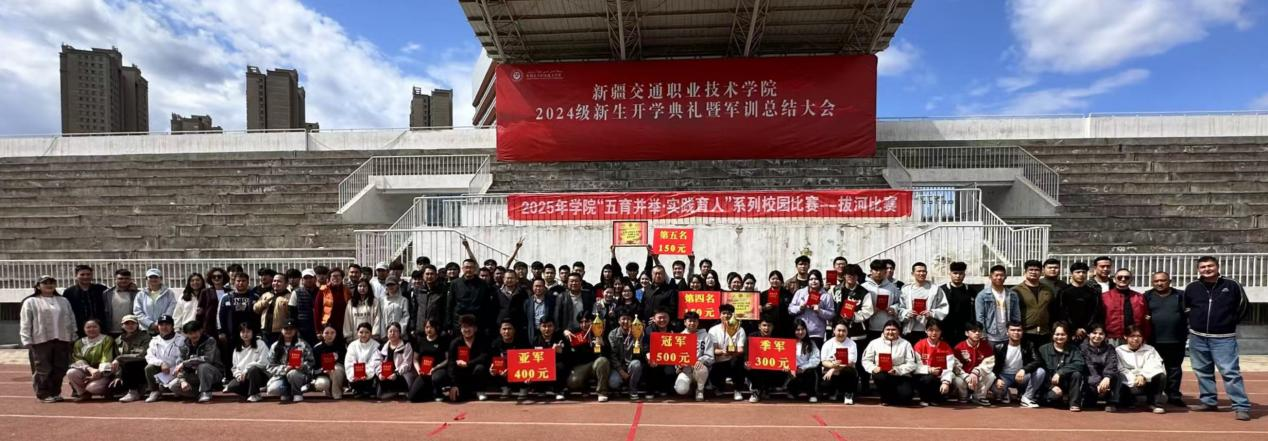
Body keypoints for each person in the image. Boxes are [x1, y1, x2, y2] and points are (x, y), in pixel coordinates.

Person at [1183, 256, 1251, 421]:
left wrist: (1229, 322)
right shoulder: (1192, 287)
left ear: (1217, 267)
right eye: (1203, 267)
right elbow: (1186, 308)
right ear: (1198, 270)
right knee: (1202, 371)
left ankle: (1241, 406)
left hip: (1224, 338)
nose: (1207, 269)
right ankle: (1208, 401)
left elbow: (1243, 306)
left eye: (1210, 266)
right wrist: (1193, 324)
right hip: (1198, 337)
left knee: (1230, 372)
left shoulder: (1232, 285)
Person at [20, 275, 77, 403]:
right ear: (38, 286)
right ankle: (43, 393)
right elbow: (26, 322)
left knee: (60, 368)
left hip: (62, 338)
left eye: (51, 282)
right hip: (41, 339)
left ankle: (55, 392)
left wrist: (73, 334)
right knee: (43, 368)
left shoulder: (63, 301)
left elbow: (71, 318)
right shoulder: (31, 301)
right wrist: (26, 339)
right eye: (45, 283)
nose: (49, 285)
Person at [1144, 271, 1187, 406]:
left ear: (1169, 281)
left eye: (1163, 280)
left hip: (1176, 339)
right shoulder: (1147, 296)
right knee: (1153, 368)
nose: (1159, 283)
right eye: (1156, 281)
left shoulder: (1180, 295)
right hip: (1153, 340)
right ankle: (1153, 395)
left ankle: (1174, 395)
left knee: (1174, 369)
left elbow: (1188, 314)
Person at [1023, 322, 1085, 411]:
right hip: (1048, 385)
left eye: (1063, 334)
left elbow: (1080, 364)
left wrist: (1060, 372)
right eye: (1057, 334)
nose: (1060, 337)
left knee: (1077, 374)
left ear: (1067, 336)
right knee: (1053, 396)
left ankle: (1074, 403)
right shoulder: (1043, 349)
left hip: (1066, 383)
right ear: (1052, 335)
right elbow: (1041, 370)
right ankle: (1041, 399)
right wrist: (1051, 386)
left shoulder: (1074, 349)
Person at [862, 320, 919, 406]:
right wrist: (873, 368)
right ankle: (885, 396)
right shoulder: (874, 343)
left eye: (893, 330)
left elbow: (912, 363)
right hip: (882, 374)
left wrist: (897, 370)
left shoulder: (906, 344)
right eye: (888, 329)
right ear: (883, 331)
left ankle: (892, 397)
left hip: (901, 375)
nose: (890, 332)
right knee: (880, 376)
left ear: (898, 331)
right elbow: (866, 360)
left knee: (906, 396)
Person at [438, 314, 491, 402]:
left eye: (470, 326)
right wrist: (453, 384)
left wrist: (468, 363)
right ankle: (467, 391)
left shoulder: (482, 340)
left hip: (476, 372)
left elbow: (484, 357)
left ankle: (480, 391)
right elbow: (451, 364)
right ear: (460, 329)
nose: (467, 329)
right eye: (464, 327)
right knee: (457, 398)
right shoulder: (455, 343)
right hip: (461, 376)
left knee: (480, 368)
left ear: (475, 328)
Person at [1116, 325, 1167, 414]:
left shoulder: (1150, 349)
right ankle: (1130, 399)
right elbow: (1120, 368)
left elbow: (1154, 365)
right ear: (1125, 337)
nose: (1136, 339)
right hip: (1129, 382)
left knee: (1160, 375)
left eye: (1139, 336)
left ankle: (1155, 404)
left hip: (1145, 380)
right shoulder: (1119, 350)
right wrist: (1134, 379)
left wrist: (1143, 375)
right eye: (1132, 336)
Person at [172, 320, 223, 403]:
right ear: (186, 334)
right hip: (193, 375)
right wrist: (182, 381)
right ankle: (198, 393)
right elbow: (179, 364)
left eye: (195, 332)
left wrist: (185, 363)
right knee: (173, 386)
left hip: (213, 373)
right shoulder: (184, 345)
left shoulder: (210, 341)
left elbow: (208, 359)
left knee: (203, 366)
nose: (193, 335)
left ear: (201, 331)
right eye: (190, 333)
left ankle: (206, 392)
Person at [564, 313, 612, 401]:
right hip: (583, 366)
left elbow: (609, 353)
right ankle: (585, 386)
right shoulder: (575, 332)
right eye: (581, 322)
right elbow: (563, 333)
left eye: (587, 321)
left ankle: (602, 392)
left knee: (603, 361)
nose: (584, 324)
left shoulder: (600, 331)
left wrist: (602, 344)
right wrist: (565, 332)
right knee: (572, 382)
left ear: (592, 322)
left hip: (596, 364)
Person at [992, 321, 1041, 406]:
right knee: (998, 391)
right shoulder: (998, 347)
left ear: (1022, 332)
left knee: (1040, 372)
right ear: (1007, 332)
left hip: (1022, 376)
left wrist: (1024, 370)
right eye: (1013, 330)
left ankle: (1026, 397)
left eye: (1019, 330)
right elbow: (993, 367)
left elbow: (1037, 361)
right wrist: (997, 379)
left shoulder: (1029, 345)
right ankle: (1006, 393)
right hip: (1004, 377)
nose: (1016, 332)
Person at [66, 319, 115, 401]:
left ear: (99, 328)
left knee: (92, 388)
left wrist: (99, 373)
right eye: (88, 327)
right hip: (88, 370)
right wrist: (90, 369)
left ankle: (108, 391)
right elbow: (78, 359)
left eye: (94, 327)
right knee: (71, 372)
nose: (91, 329)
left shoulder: (107, 339)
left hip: (103, 372)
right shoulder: (79, 343)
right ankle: (83, 394)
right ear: (84, 329)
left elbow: (106, 358)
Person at [898, 262, 948, 344]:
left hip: (929, 331)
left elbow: (943, 307)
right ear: (912, 273)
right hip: (910, 330)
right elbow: (900, 307)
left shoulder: (935, 289)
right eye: (919, 271)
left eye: (924, 271)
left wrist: (932, 313)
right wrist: (907, 313)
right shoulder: (906, 290)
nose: (921, 273)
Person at [912, 319, 958, 406]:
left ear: (941, 332)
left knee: (952, 380)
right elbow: (915, 366)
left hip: (940, 377)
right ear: (926, 331)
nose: (934, 333)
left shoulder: (946, 347)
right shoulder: (919, 345)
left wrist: (945, 382)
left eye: (937, 330)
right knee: (928, 379)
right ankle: (924, 398)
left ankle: (938, 398)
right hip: (924, 376)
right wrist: (929, 370)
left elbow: (949, 367)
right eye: (931, 330)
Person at [708, 304, 748, 401]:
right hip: (718, 361)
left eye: (729, 313)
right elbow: (713, 350)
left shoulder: (740, 329)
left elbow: (740, 349)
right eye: (724, 313)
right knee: (711, 367)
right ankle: (718, 386)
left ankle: (737, 389)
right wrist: (722, 351)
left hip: (732, 359)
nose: (726, 316)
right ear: (720, 315)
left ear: (733, 315)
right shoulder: (713, 330)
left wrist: (731, 352)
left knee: (738, 362)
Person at [672, 311, 715, 401]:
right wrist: (679, 365)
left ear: (698, 322)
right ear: (685, 322)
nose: (692, 323)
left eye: (694, 321)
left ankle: (700, 390)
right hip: (686, 370)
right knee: (681, 389)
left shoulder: (706, 336)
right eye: (690, 321)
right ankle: (691, 386)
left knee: (701, 368)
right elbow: (675, 357)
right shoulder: (680, 337)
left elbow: (710, 356)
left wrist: (701, 360)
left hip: (699, 368)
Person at [1055, 262, 1102, 343]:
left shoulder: (1093, 292)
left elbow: (1095, 312)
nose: (1081, 274)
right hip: (1068, 331)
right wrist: (1074, 329)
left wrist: (1085, 328)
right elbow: (1061, 312)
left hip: (1088, 331)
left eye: (1084, 272)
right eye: (1078, 272)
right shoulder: (1064, 292)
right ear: (1072, 274)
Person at [447, 259, 495, 337]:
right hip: (459, 323)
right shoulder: (455, 283)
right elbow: (450, 305)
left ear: (475, 269)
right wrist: (448, 324)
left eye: (471, 267)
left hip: (478, 322)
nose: (469, 270)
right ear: (462, 269)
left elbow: (487, 305)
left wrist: (487, 324)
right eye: (466, 267)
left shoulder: (483, 284)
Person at [143, 315, 185, 403]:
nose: (164, 327)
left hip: (177, 370)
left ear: (172, 326)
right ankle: (155, 391)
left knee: (176, 385)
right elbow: (149, 356)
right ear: (158, 327)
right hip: (162, 371)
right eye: (161, 325)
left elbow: (182, 357)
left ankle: (176, 388)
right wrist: (161, 363)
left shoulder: (181, 339)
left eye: (167, 324)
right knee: (149, 368)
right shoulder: (154, 340)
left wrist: (176, 368)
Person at [1015, 260, 1056, 349]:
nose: (1033, 272)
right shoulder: (1016, 291)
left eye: (1037, 270)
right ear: (1025, 272)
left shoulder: (1047, 290)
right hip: (1025, 333)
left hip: (1045, 332)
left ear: (1041, 272)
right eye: (1031, 270)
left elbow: (1053, 310)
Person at [952, 321, 995, 405]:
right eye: (974, 331)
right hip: (964, 377)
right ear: (966, 333)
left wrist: (976, 372)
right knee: (956, 379)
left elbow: (989, 364)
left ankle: (979, 397)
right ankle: (963, 396)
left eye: (979, 331)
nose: (977, 333)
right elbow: (955, 367)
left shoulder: (986, 346)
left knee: (991, 375)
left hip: (978, 376)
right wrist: (966, 377)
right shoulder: (959, 347)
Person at [789, 270, 836, 347]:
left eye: (816, 279)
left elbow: (831, 314)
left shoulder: (826, 296)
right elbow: (790, 309)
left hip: (817, 333)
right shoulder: (799, 292)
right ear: (808, 281)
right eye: (811, 279)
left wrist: (820, 311)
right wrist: (800, 308)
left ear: (820, 281)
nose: (813, 281)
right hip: (800, 332)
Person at [1102, 269, 1148, 346]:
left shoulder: (1139, 297)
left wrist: (1145, 336)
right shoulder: (1104, 297)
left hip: (1134, 337)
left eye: (1126, 277)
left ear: (1131, 280)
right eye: (1120, 277)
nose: (1123, 279)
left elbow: (1145, 319)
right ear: (1114, 279)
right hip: (1112, 338)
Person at [111, 314, 152, 402]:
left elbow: (141, 356)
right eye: (127, 323)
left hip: (142, 367)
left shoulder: (145, 337)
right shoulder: (118, 340)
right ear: (122, 326)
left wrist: (119, 358)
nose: (130, 326)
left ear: (137, 325)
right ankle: (135, 389)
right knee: (113, 387)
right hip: (125, 371)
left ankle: (133, 392)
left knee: (129, 364)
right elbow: (117, 361)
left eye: (133, 323)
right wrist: (118, 376)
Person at [976, 265, 1021, 344]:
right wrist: (983, 334)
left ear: (1006, 277)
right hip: (991, 335)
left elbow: (1016, 315)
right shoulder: (982, 295)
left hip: (1008, 335)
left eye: (1002, 275)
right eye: (996, 275)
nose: (999, 278)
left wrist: (1015, 332)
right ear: (990, 277)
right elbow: (980, 317)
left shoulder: (1012, 295)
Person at [225, 323, 270, 402]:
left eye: (248, 331)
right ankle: (250, 392)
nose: (245, 334)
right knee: (231, 386)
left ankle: (255, 394)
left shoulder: (260, 344)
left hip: (260, 375)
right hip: (244, 377)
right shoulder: (237, 349)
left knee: (253, 370)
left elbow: (264, 362)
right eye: (243, 332)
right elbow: (235, 367)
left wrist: (246, 370)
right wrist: (238, 375)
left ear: (253, 332)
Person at [1080, 324, 1120, 412]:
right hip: (1091, 378)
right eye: (1094, 333)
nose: (1097, 336)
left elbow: (1112, 364)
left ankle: (1111, 402)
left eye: (1101, 334)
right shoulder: (1082, 348)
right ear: (1089, 334)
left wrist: (1107, 377)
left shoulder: (1110, 348)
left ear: (1105, 336)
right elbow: (1089, 367)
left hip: (1106, 380)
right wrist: (1098, 383)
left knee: (1117, 375)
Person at [606, 311, 644, 401]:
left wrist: (637, 339)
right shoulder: (613, 334)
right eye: (623, 319)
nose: (626, 322)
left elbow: (641, 354)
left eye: (628, 319)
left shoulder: (638, 332)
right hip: (618, 367)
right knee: (613, 383)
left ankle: (632, 390)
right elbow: (612, 355)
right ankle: (619, 388)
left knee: (636, 364)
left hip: (631, 365)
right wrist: (620, 370)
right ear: (619, 321)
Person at [529, 317, 569, 400]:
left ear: (554, 327)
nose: (547, 329)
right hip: (542, 365)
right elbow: (531, 358)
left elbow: (569, 355)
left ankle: (559, 391)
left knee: (560, 366)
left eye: (550, 326)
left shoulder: (560, 338)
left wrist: (561, 351)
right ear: (539, 327)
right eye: (544, 326)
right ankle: (540, 389)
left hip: (556, 365)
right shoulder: (535, 339)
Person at [63, 265, 108, 338]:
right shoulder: (69, 292)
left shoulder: (101, 289)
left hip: (100, 327)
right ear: (76, 276)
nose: (85, 277)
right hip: (79, 329)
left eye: (88, 274)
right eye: (82, 274)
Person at [408, 319, 448, 402]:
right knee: (412, 397)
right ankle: (430, 393)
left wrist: (435, 368)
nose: (429, 329)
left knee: (436, 378)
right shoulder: (420, 341)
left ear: (436, 328)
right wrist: (419, 370)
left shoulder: (442, 340)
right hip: (424, 371)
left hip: (438, 369)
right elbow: (415, 359)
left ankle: (438, 392)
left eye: (431, 327)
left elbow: (447, 359)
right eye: (427, 327)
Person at [375, 322, 417, 400]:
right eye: (390, 331)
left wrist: (396, 373)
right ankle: (396, 393)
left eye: (395, 331)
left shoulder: (406, 345)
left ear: (400, 333)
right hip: (385, 375)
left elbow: (407, 364)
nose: (392, 333)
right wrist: (380, 373)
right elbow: (377, 362)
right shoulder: (381, 347)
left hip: (401, 375)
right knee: (379, 396)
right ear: (387, 334)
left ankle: (399, 391)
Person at [821, 321, 859, 404]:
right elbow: (824, 361)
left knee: (849, 370)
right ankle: (833, 392)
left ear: (847, 332)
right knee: (825, 381)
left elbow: (851, 362)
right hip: (830, 373)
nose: (841, 333)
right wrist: (832, 365)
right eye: (839, 330)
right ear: (834, 330)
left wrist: (833, 369)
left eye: (844, 331)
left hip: (845, 372)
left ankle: (848, 394)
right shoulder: (827, 344)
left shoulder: (852, 344)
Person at [940, 262, 976, 347]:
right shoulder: (942, 290)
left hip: (965, 330)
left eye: (961, 273)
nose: (958, 276)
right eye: (955, 273)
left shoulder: (971, 290)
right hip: (946, 330)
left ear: (964, 275)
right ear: (950, 274)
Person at [133, 268, 176, 335]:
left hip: (164, 329)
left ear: (161, 278)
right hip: (145, 330)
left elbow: (171, 309)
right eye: (150, 277)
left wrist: (160, 323)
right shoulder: (140, 294)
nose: (153, 279)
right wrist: (150, 324)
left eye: (156, 277)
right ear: (146, 279)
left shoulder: (169, 293)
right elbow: (137, 311)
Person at [410, 265, 449, 338]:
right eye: (427, 274)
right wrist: (412, 327)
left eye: (432, 274)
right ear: (423, 275)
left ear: (436, 275)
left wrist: (445, 328)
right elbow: (414, 311)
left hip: (436, 331)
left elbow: (446, 311)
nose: (429, 276)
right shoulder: (417, 291)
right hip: (420, 330)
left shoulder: (442, 291)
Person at [344, 322, 382, 399]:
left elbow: (375, 362)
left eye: (367, 332)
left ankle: (370, 390)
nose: (364, 335)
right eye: (361, 332)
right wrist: (355, 374)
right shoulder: (352, 345)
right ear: (357, 333)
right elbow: (349, 362)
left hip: (369, 376)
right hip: (356, 376)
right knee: (355, 380)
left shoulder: (376, 345)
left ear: (371, 333)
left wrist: (366, 373)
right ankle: (357, 390)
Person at [311, 325, 347, 400]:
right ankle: (328, 390)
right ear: (322, 334)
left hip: (338, 373)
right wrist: (322, 370)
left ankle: (337, 395)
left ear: (336, 334)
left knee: (337, 369)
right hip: (323, 374)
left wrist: (336, 360)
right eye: (326, 333)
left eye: (332, 333)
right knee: (321, 384)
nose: (329, 335)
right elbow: (313, 369)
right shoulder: (317, 348)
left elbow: (346, 363)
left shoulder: (342, 347)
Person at [255, 274, 291, 346]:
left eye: (279, 281)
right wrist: (263, 303)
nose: (276, 283)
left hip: (280, 332)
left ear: (286, 284)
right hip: (265, 331)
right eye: (274, 281)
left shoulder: (290, 296)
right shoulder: (266, 294)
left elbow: (291, 314)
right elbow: (255, 309)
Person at [102, 269, 139, 337]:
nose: (123, 281)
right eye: (120, 278)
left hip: (130, 331)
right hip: (111, 331)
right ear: (115, 279)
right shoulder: (107, 293)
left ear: (130, 280)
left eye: (126, 278)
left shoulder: (137, 294)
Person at [315, 268, 349, 341]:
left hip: (343, 325)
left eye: (338, 276)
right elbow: (317, 311)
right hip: (328, 325)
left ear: (342, 277)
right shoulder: (323, 290)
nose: (336, 278)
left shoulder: (346, 290)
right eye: (333, 276)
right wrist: (318, 330)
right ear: (329, 278)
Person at [288, 269, 319, 344]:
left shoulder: (321, 292)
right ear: (302, 280)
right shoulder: (296, 293)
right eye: (306, 278)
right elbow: (291, 313)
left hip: (318, 330)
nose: (308, 280)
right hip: (302, 331)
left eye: (310, 277)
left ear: (315, 278)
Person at [761, 271, 794, 337]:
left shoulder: (788, 294)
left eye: (777, 279)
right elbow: (758, 310)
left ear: (781, 281)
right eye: (773, 279)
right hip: (769, 329)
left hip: (785, 327)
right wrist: (764, 308)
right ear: (769, 280)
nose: (775, 281)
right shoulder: (764, 294)